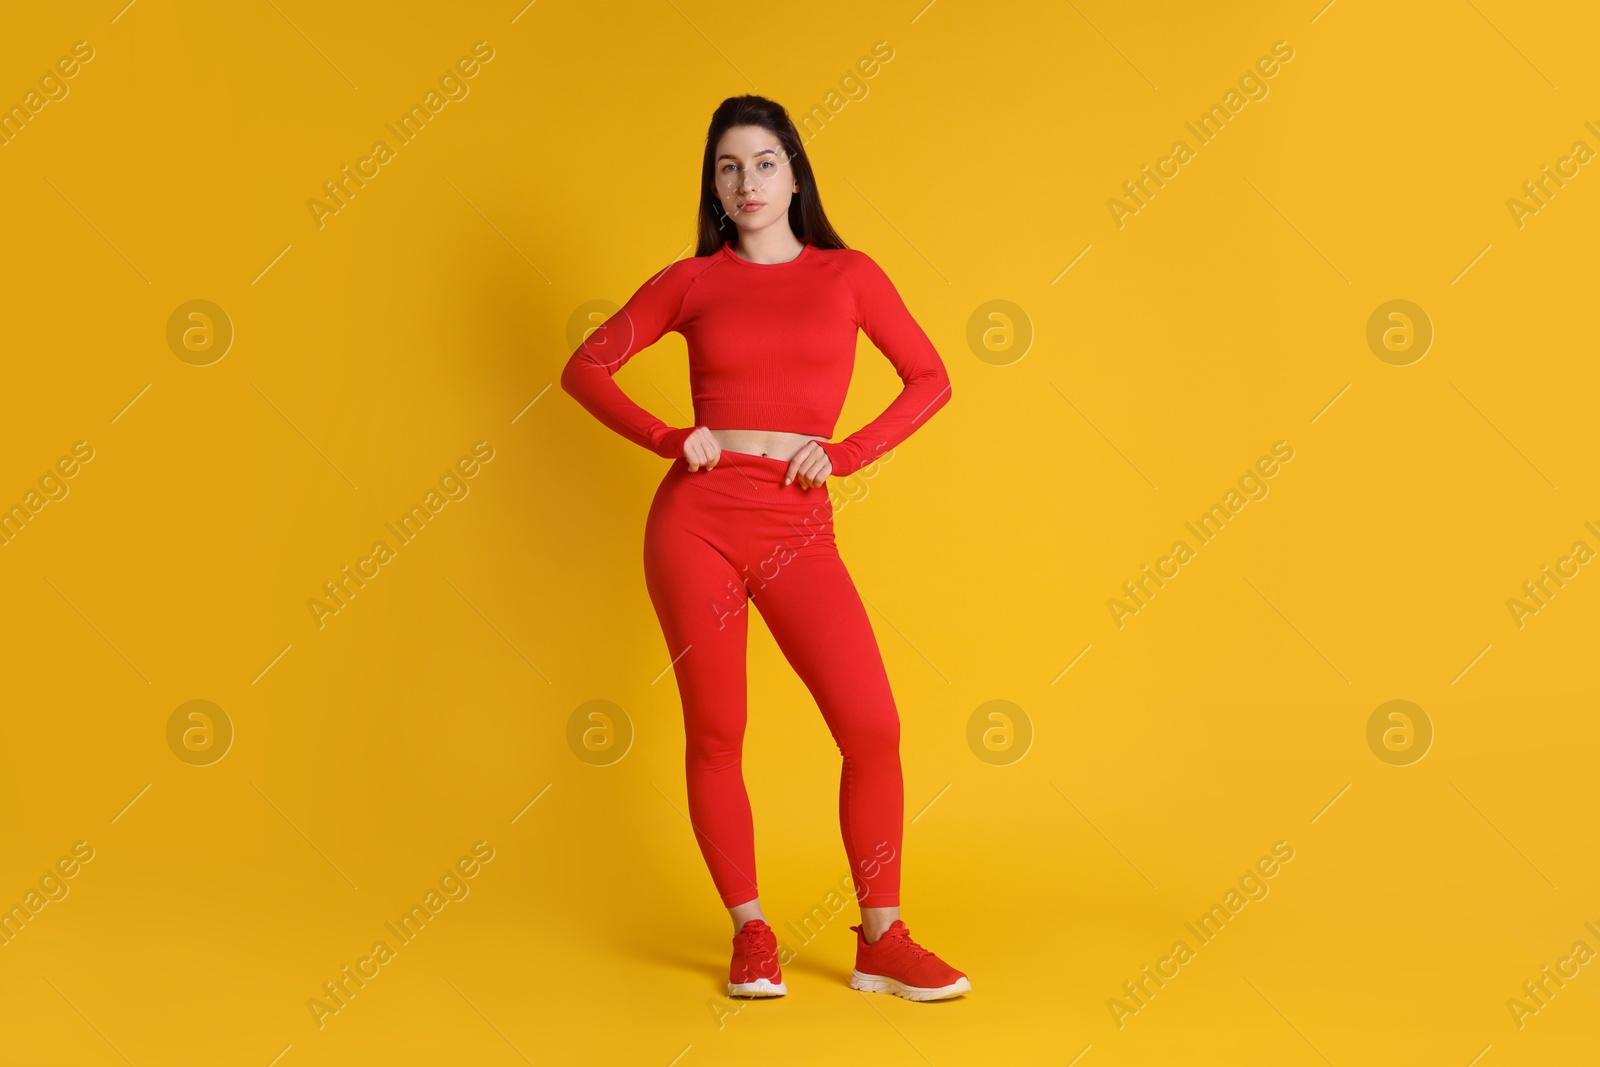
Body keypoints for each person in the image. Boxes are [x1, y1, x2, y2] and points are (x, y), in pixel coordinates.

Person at [561, 94, 969, 1002]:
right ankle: (751, 932)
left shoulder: (848, 275)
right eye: (728, 167)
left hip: (797, 523)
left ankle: (883, 937)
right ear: (713, 185)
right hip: (696, 523)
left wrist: (850, 452)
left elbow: (932, 377)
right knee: (718, 731)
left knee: (871, 725)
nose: (747, 183)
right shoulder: (690, 281)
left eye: (764, 163)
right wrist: (669, 436)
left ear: (795, 172)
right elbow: (584, 365)